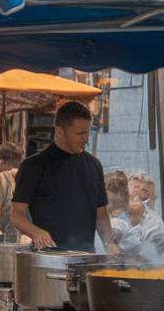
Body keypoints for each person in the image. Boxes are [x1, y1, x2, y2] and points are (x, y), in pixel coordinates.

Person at [10, 101, 120, 253]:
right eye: (80, 134)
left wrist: (109, 243)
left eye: (87, 133)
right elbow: (17, 215)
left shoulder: (94, 166)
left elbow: (100, 215)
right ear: (59, 131)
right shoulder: (33, 166)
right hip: (47, 258)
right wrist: (35, 232)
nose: (86, 139)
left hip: (85, 258)